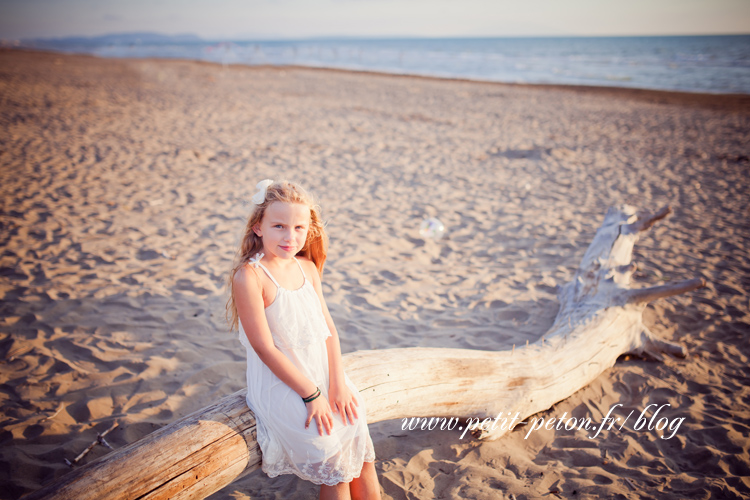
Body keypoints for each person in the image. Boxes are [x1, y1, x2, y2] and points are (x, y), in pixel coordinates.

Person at [226, 179, 381, 500]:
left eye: (298, 227)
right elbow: (264, 348)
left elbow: (329, 330)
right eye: (279, 226)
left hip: (324, 374)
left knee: (364, 458)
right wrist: (313, 395)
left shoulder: (307, 267)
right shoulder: (250, 276)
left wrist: (337, 384)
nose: (289, 236)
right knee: (337, 470)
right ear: (258, 227)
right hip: (283, 384)